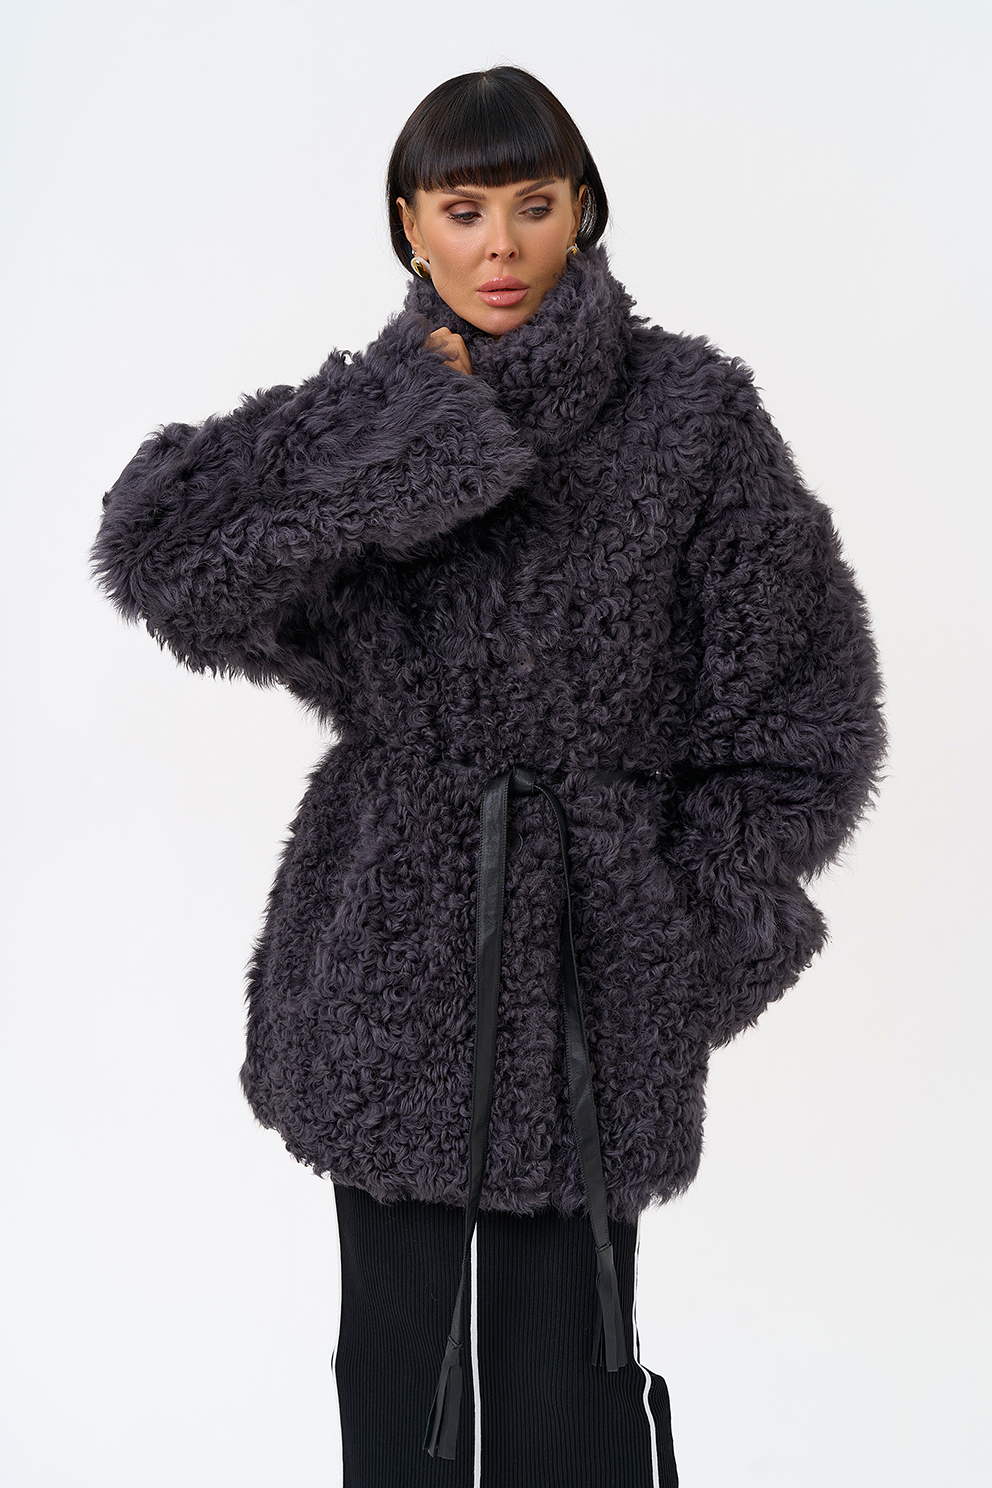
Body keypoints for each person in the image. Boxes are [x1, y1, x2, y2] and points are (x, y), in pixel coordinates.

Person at [91, 65, 885, 1488]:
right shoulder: (371, 418)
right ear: (410, 224)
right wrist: (390, 427)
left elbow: (803, 698)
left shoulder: (692, 416)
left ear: (584, 210)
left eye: (534, 204)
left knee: (568, 1388)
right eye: (464, 210)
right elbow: (163, 554)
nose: (502, 246)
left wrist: (685, 934)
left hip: (591, 954)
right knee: (398, 1379)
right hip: (387, 943)